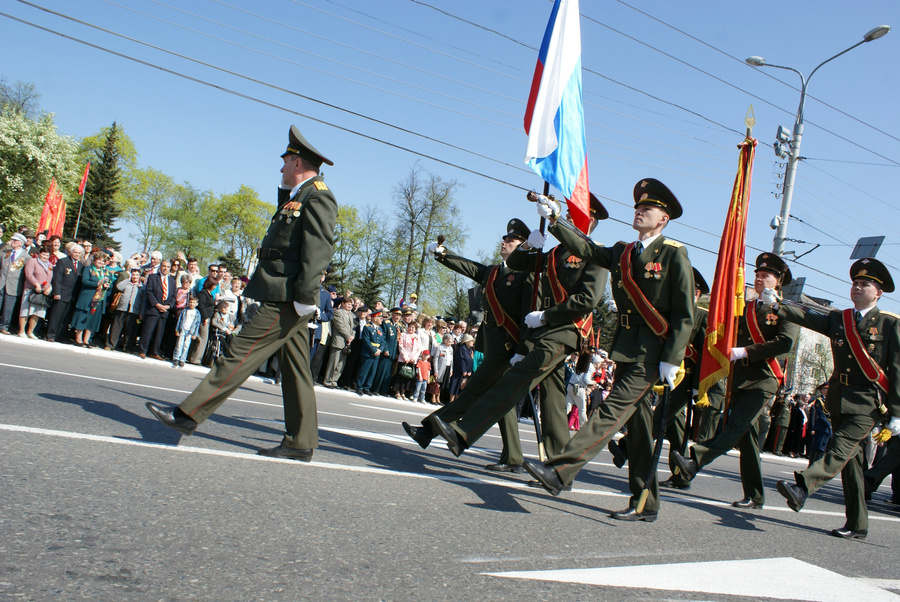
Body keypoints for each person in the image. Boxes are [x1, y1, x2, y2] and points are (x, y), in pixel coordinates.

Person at [146, 125, 338, 462]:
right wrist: (284, 192)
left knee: (241, 353)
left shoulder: (318, 195)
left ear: (297, 163)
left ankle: (188, 415)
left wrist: (305, 297)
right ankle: (300, 442)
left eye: (285, 163)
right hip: (283, 291)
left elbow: (318, 250)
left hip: (287, 296)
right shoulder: (298, 196)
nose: (280, 169)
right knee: (296, 372)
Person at [523, 179, 694, 522]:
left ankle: (560, 470)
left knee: (610, 412)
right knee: (642, 431)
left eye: (648, 208)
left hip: (653, 353)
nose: (639, 211)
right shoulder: (624, 251)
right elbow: (586, 249)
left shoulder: (674, 253)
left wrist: (672, 358)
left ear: (663, 219)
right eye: (638, 207)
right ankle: (647, 502)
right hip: (627, 349)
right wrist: (556, 221)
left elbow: (684, 313)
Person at [425, 196, 609, 477]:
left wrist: (545, 317)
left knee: (515, 381)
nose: (568, 218)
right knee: (552, 403)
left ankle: (463, 432)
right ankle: (559, 469)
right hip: (545, 332)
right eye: (567, 215)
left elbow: (586, 300)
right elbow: (521, 262)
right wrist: (527, 245)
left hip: (563, 332)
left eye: (573, 216)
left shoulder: (595, 255)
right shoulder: (555, 254)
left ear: (589, 222)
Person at [771, 258, 900, 539]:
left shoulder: (889, 324)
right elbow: (806, 315)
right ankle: (858, 524)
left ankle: (802, 487)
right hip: (840, 398)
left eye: (865, 284)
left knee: (839, 446)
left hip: (869, 402)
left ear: (878, 293)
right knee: (852, 466)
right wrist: (777, 305)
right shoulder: (839, 319)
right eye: (855, 283)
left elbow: (897, 369)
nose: (857, 287)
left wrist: (897, 412)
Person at [672, 253, 800, 510]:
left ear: (779, 281)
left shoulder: (787, 310)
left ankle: (694, 460)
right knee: (748, 439)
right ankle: (755, 495)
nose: (759, 279)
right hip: (740, 379)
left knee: (734, 427)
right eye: (757, 275)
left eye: (766, 276)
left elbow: (786, 343)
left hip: (764, 379)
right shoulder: (747, 307)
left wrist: (747, 352)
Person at [70, 251, 113, 347]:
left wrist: (106, 285)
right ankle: (78, 340)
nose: (101, 262)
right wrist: (97, 283)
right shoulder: (88, 269)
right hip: (87, 298)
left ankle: (86, 340)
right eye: (99, 260)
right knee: (81, 318)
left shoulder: (106, 273)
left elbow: (110, 286)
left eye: (103, 261)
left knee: (92, 320)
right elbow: (84, 281)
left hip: (98, 300)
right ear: (95, 260)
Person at [46, 243, 84, 342]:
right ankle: (51, 335)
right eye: (75, 252)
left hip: (72, 297)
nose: (77, 254)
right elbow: (57, 278)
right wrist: (56, 292)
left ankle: (60, 336)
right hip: (61, 294)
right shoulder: (63, 262)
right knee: (56, 316)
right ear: (70, 252)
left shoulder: (81, 265)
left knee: (66, 318)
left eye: (79, 253)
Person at [139, 259, 176, 360]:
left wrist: (168, 306)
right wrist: (156, 304)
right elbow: (149, 292)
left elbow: (173, 295)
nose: (165, 269)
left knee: (159, 333)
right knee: (148, 331)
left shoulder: (172, 281)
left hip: (165, 310)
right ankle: (143, 350)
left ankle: (154, 352)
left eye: (168, 267)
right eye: (164, 266)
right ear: (160, 266)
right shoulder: (153, 277)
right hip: (153, 308)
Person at [18, 244, 54, 338]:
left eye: (47, 255)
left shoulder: (50, 265)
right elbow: (29, 275)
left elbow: (50, 278)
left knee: (38, 312)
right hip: (31, 289)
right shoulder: (32, 261)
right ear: (39, 254)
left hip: (42, 292)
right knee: (25, 310)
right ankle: (22, 331)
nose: (45, 256)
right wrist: (36, 284)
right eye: (43, 254)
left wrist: (49, 288)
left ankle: (30, 332)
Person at [107, 267, 145, 352]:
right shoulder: (127, 283)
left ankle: (127, 347)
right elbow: (119, 287)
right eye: (133, 275)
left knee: (130, 330)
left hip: (134, 310)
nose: (135, 277)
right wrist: (127, 279)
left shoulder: (142, 287)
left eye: (137, 275)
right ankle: (111, 345)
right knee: (116, 327)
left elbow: (143, 301)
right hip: (122, 308)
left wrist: (141, 313)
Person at [0, 232, 29, 335]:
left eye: (14, 240)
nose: (12, 242)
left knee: (8, 308)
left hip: (14, 285)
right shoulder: (5, 253)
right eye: (12, 240)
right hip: (1, 282)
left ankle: (4, 326)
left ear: (20, 243)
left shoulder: (26, 257)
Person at [323, 296, 355, 388]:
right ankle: (327, 380)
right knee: (333, 362)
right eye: (348, 304)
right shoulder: (338, 313)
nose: (350, 306)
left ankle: (334, 380)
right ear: (343, 304)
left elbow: (354, 328)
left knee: (341, 363)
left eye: (351, 304)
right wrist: (348, 336)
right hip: (339, 340)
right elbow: (340, 326)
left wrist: (352, 336)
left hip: (347, 342)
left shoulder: (352, 315)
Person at [172, 295, 201, 367]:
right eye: (190, 302)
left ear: (196, 304)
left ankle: (182, 359)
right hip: (183, 329)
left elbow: (197, 324)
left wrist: (195, 334)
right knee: (179, 344)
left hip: (190, 331)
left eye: (194, 302)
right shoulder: (184, 311)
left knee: (186, 345)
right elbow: (179, 321)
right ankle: (176, 358)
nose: (192, 304)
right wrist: (177, 329)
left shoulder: (197, 313)